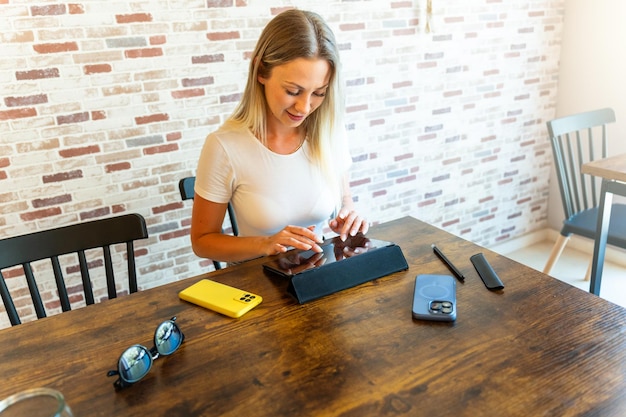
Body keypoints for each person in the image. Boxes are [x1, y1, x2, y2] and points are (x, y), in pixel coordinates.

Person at [190, 9, 368, 264]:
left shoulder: (330, 131)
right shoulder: (225, 146)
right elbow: (202, 241)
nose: (304, 107)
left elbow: (346, 201)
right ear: (261, 71)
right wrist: (266, 244)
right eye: (293, 91)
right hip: (258, 287)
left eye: (319, 93)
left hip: (318, 279)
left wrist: (349, 216)